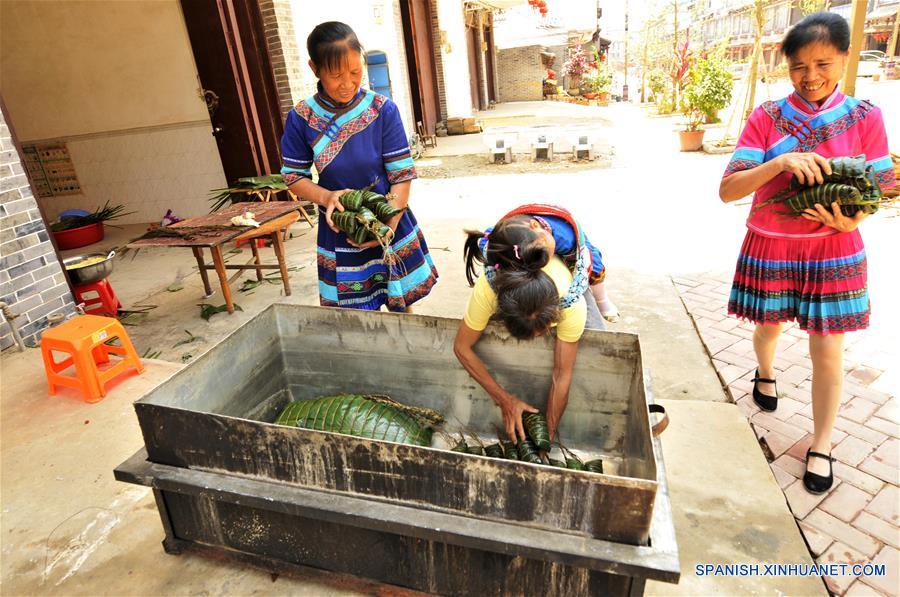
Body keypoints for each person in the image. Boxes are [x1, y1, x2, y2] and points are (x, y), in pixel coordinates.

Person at [718, 13, 895, 494]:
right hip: (772, 246)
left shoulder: (865, 116)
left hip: (834, 251)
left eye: (823, 63)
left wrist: (854, 218)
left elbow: (882, 186)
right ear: (787, 68)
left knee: (828, 351)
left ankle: (822, 443)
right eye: (799, 66)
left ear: (843, 58)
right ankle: (767, 371)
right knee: (768, 328)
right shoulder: (766, 117)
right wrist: (779, 161)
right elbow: (729, 189)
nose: (811, 76)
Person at [281, 21, 438, 312]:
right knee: (354, 314)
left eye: (355, 72)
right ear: (315, 68)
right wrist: (327, 197)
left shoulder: (382, 109)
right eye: (335, 74)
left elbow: (401, 174)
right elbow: (293, 177)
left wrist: (387, 227)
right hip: (339, 227)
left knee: (400, 304)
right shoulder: (301, 118)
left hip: (388, 216)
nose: (347, 83)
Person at [453, 204, 614, 442]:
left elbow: (562, 375)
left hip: (568, 272)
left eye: (544, 329)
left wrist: (547, 435)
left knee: (597, 347)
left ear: (556, 314)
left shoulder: (570, 303)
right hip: (520, 247)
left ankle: (603, 301)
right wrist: (504, 400)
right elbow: (461, 347)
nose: (539, 337)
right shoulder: (488, 289)